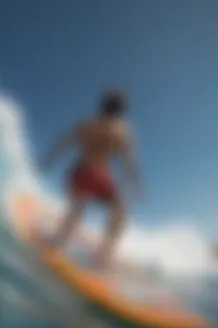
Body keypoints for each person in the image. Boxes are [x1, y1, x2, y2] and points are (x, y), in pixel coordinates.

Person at [40, 91, 143, 269]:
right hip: (94, 177)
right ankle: (102, 257)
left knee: (79, 209)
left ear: (102, 106)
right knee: (118, 212)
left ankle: (58, 241)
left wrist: (48, 161)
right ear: (122, 112)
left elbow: (63, 143)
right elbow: (128, 162)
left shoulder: (87, 125)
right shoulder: (122, 133)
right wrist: (137, 183)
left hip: (81, 174)